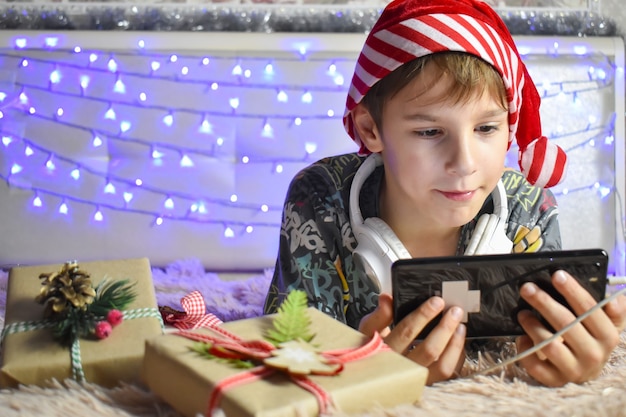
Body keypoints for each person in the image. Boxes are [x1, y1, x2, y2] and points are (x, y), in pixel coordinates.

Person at [263, 0, 626, 386]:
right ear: (371, 130)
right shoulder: (318, 198)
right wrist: (354, 362)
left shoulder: (529, 208)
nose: (464, 163)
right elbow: (285, 344)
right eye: (430, 132)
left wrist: (572, 359)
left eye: (486, 128)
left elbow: (539, 343)